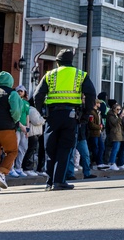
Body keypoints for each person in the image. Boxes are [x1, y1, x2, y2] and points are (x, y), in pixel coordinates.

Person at [33, 49, 97, 191]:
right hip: (71, 116)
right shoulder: (80, 75)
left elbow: (37, 95)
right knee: (65, 148)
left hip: (52, 116)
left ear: (57, 62)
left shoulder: (49, 75)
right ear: (71, 61)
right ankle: (59, 181)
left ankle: (49, 182)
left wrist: (43, 112)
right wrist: (85, 115)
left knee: (50, 148)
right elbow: (91, 95)